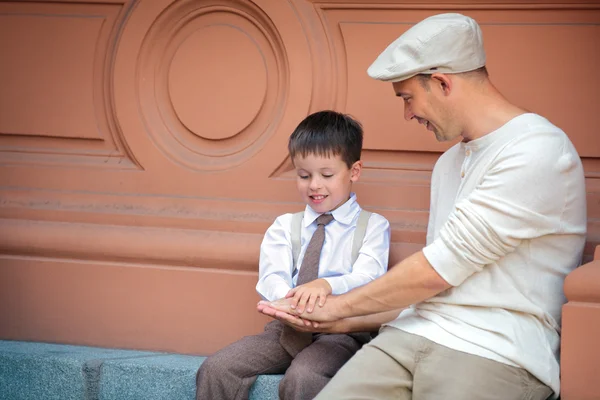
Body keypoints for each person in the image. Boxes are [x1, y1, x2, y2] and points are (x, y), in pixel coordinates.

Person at [259, 13, 587, 400]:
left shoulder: (537, 150)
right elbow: (435, 295)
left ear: (443, 82)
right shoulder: (448, 164)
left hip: (497, 350)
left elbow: (437, 270)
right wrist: (340, 319)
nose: (407, 113)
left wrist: (336, 307)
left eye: (408, 98)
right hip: (411, 334)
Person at [196, 110, 391, 400]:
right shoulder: (286, 226)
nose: (314, 185)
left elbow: (369, 276)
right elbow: (271, 275)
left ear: (354, 171)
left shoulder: (373, 226)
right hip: (287, 328)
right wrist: (289, 303)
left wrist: (324, 285)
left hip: (341, 333)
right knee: (218, 368)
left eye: (326, 175)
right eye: (303, 175)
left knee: (304, 376)